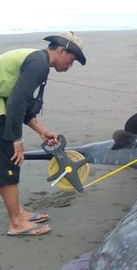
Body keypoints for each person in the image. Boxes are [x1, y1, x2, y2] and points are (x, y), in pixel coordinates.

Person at [0, 32, 87, 236]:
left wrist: (42, 131)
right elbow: (16, 103)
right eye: (71, 61)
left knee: (7, 163)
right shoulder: (38, 63)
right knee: (9, 163)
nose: (69, 67)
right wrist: (16, 140)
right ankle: (16, 223)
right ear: (62, 50)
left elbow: (22, 104)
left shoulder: (39, 62)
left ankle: (19, 214)